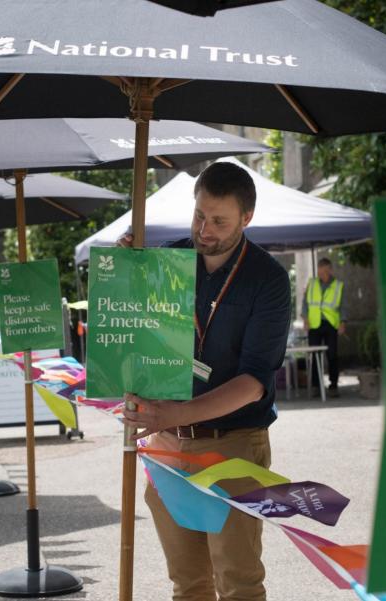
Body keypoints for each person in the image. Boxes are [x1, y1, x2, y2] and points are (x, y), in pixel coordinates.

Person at [119, 161, 290, 601]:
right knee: (188, 583)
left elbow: (254, 381)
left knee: (238, 583)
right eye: (199, 215)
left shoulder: (268, 279)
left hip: (233, 443)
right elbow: (130, 332)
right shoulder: (168, 263)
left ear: (246, 218)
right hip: (167, 445)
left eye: (219, 221)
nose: (205, 229)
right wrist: (124, 273)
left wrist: (175, 412)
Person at [302, 258, 345, 398]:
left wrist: (342, 322)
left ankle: (333, 386)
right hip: (314, 324)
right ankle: (316, 386)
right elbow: (305, 302)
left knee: (332, 355)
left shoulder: (338, 285)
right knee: (314, 356)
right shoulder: (312, 283)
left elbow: (342, 306)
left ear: (330, 270)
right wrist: (305, 319)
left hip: (331, 324)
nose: (321, 275)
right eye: (319, 273)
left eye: (324, 272)